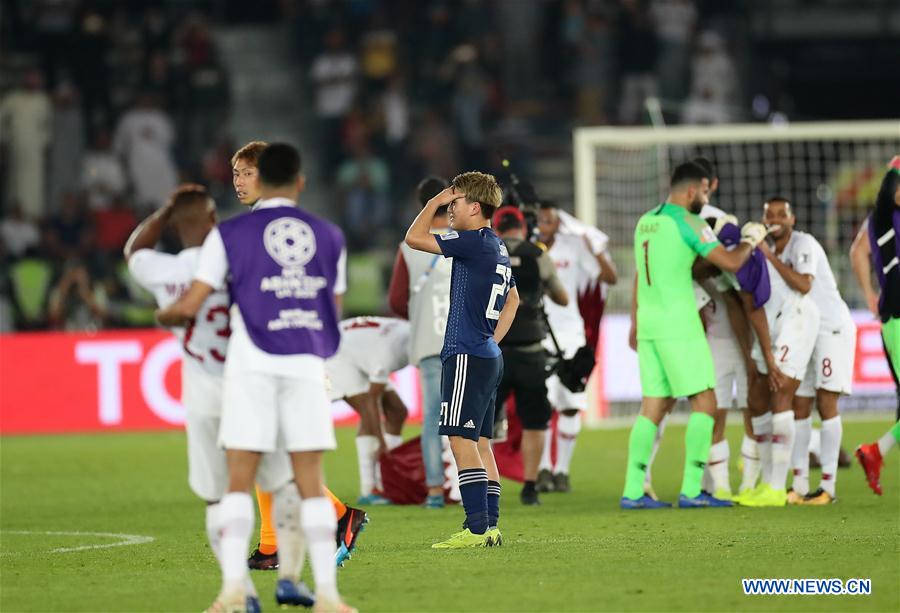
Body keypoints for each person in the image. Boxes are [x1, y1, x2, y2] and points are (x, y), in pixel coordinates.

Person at [157, 144, 353, 612]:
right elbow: (335, 308)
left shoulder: (229, 234)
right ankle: (328, 595)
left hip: (252, 366)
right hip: (305, 364)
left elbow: (193, 303)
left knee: (239, 480)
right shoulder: (329, 235)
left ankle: (232, 591)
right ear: (301, 182)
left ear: (260, 179)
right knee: (308, 481)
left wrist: (165, 313)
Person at [125, 184, 304, 612]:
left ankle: (237, 590)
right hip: (253, 381)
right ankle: (291, 578)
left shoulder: (163, 271)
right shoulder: (242, 260)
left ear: (175, 226)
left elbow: (134, 249)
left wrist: (164, 210)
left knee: (216, 496)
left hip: (202, 389)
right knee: (283, 482)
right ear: (212, 221)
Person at [230, 140, 368, 569]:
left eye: (246, 173)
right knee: (267, 451)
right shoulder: (310, 230)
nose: (238, 182)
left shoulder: (255, 232)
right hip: (301, 352)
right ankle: (272, 545)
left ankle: (341, 515)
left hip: (283, 357)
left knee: (273, 453)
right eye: (235, 173)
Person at [621, 161, 767, 509]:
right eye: (704, 191)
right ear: (692, 190)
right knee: (706, 402)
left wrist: (635, 321)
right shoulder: (691, 222)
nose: (705, 197)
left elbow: (642, 275)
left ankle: (632, 490)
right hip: (679, 324)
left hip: (650, 324)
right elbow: (730, 263)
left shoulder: (646, 221)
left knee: (653, 407)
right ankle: (691, 489)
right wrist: (751, 239)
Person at [405, 171, 520, 547]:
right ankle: (491, 527)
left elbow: (414, 238)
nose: (449, 208)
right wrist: (492, 340)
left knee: (459, 439)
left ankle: (476, 528)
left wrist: (431, 201)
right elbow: (513, 301)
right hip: (487, 353)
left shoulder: (472, 242)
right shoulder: (497, 245)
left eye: (454, 203)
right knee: (481, 442)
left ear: (474, 206)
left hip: (467, 353)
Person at [763, 197, 856, 504]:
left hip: (831, 329)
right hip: (803, 332)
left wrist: (768, 257)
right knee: (800, 405)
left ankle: (828, 487)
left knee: (826, 401)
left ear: (792, 219)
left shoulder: (803, 244)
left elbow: (804, 284)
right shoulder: (770, 252)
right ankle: (800, 483)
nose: (775, 219)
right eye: (769, 215)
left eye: (781, 214)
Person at [535, 201, 616, 493]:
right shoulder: (527, 250)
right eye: (540, 220)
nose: (543, 225)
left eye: (549, 220)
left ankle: (562, 471)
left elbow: (610, 278)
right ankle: (543, 469)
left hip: (571, 334)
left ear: (559, 223)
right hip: (538, 334)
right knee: (541, 406)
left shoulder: (574, 246)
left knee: (571, 406)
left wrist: (595, 248)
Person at [492, 205, 568, 505]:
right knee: (535, 421)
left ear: (497, 228)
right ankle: (530, 485)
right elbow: (562, 297)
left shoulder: (488, 253)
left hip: (493, 350)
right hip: (530, 352)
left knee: (482, 423)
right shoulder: (538, 255)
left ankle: (482, 485)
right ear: (522, 228)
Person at [388, 176, 454, 509]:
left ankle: (433, 490)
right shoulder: (469, 240)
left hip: (429, 341)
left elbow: (397, 299)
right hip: (464, 341)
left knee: (432, 418)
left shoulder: (409, 247)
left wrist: (418, 311)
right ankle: (465, 485)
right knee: (468, 414)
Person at [851, 156, 900, 495]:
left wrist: (871, 292)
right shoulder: (884, 220)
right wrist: (871, 296)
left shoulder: (878, 222)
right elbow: (857, 252)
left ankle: (876, 452)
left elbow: (857, 252)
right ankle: (875, 451)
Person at [327, 316, 410, 504]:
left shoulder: (408, 334)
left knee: (398, 411)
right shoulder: (390, 353)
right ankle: (369, 489)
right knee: (367, 410)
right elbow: (372, 399)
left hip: (359, 349)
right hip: (336, 355)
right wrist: (382, 444)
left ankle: (390, 481)